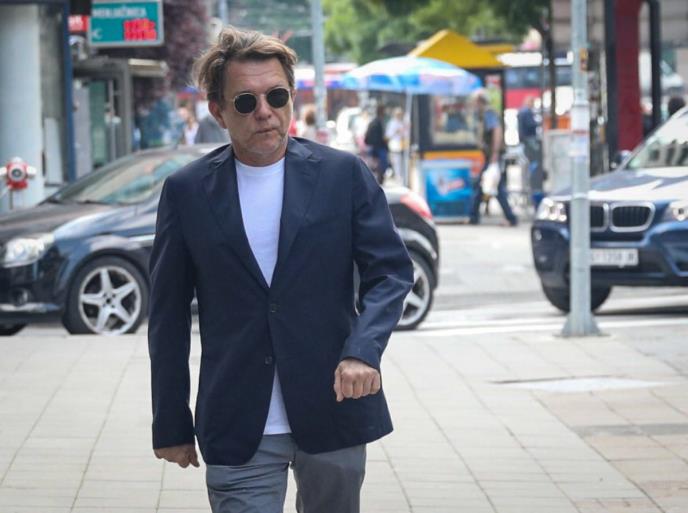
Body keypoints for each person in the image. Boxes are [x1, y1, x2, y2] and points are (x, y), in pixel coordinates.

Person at [148, 25, 414, 513]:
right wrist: (170, 420)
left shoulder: (342, 175)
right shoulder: (187, 192)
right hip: (236, 418)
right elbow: (166, 315)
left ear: (292, 97)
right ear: (218, 112)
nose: (265, 111)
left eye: (276, 96)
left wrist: (363, 351)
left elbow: (391, 273)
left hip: (332, 407)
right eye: (245, 102)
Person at [469, 89, 517, 226]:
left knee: (495, 187)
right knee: (484, 186)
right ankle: (474, 217)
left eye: (475, 102)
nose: (473, 104)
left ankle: (510, 218)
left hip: (493, 156)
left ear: (480, 101)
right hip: (490, 156)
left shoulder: (489, 113)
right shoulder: (484, 114)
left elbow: (497, 131)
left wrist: (495, 154)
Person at [517, 96, 544, 208]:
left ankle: (530, 195)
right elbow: (530, 125)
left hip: (525, 143)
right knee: (533, 170)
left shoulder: (522, 112)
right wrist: (539, 123)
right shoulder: (526, 112)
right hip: (530, 142)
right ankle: (533, 196)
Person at [364, 105, 389, 184]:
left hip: (374, 146)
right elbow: (378, 136)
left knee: (376, 163)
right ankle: (379, 178)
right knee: (381, 164)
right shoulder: (378, 122)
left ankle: (378, 178)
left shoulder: (374, 122)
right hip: (379, 146)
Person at [385, 107, 405, 182]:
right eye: (398, 114)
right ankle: (398, 175)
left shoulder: (402, 122)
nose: (399, 115)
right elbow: (388, 135)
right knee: (396, 161)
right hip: (395, 144)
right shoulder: (392, 123)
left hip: (402, 144)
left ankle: (401, 175)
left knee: (402, 160)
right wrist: (396, 131)